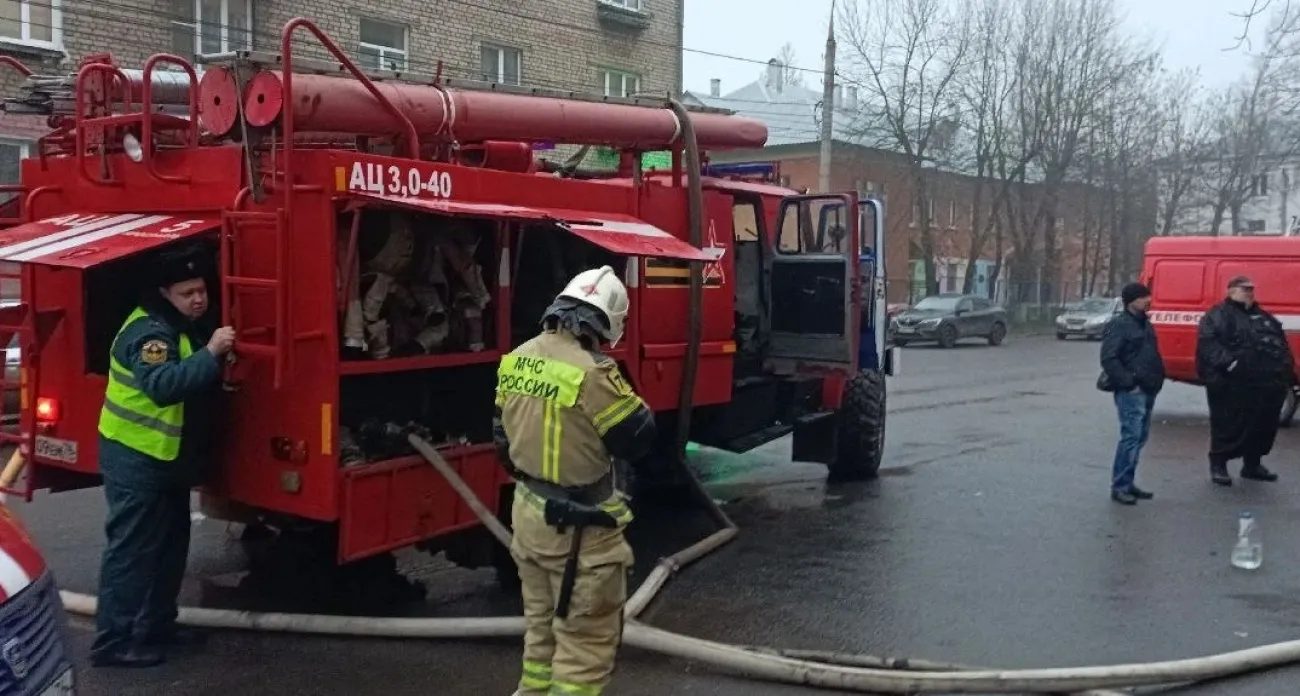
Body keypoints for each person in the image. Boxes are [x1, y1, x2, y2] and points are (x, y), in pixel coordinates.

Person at [494, 265, 657, 696]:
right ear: (607, 322)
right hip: (581, 532)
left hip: (529, 516)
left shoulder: (518, 357)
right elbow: (637, 438)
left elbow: (501, 442)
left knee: (540, 633)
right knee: (584, 650)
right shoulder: (593, 372)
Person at [91, 244, 235, 668]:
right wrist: (212, 353)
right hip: (137, 459)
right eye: (187, 293)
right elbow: (163, 386)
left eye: (202, 290)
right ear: (164, 293)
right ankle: (113, 642)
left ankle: (157, 626)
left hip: (165, 461)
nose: (198, 299)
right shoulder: (150, 334)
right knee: (132, 552)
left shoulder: (180, 324)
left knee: (169, 548)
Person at [1196, 275, 1294, 486]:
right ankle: (1219, 465)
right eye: (1244, 289)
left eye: (1251, 289)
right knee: (1227, 426)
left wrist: (1286, 367)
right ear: (1231, 291)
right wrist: (1232, 364)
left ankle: (1252, 465)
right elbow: (1209, 345)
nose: (1249, 293)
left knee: (1262, 426)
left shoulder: (1265, 317)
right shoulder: (1218, 315)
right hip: (1232, 384)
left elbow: (1281, 343)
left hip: (1267, 384)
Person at [1099, 282, 1165, 505]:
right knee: (1131, 437)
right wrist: (1128, 382)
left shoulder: (1145, 323)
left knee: (1140, 437)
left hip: (1148, 388)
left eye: (1148, 296)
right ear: (1131, 301)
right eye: (1143, 297)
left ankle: (1128, 482)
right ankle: (1120, 486)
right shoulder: (1120, 325)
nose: (1148, 300)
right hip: (1132, 391)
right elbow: (1109, 358)